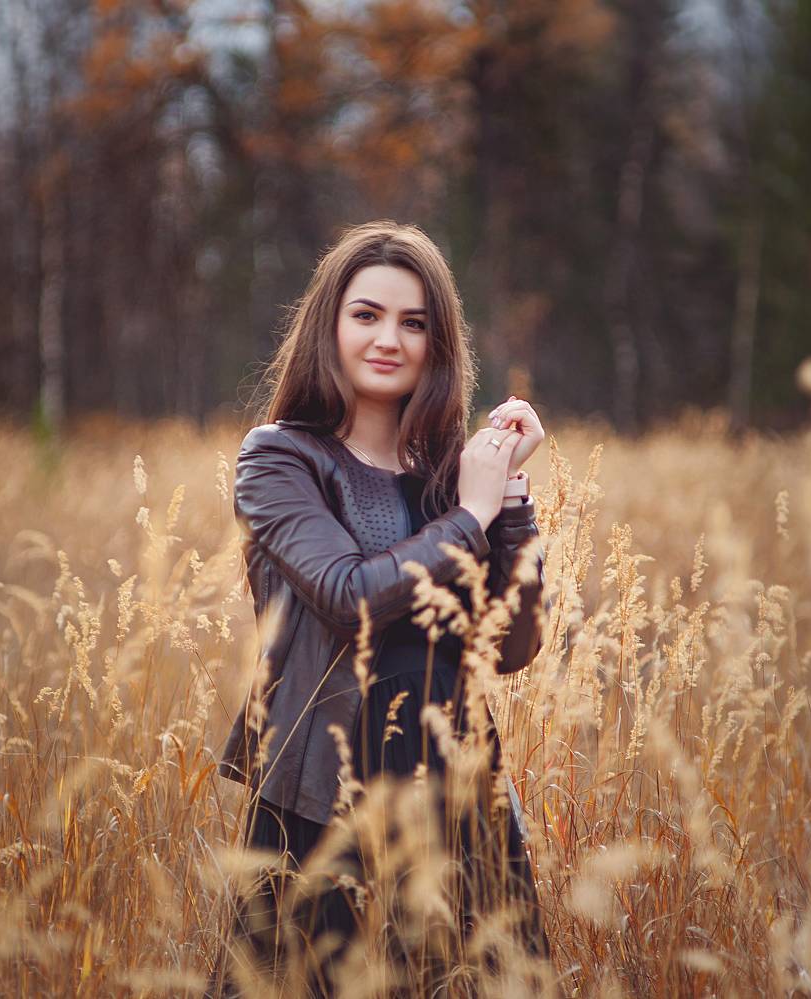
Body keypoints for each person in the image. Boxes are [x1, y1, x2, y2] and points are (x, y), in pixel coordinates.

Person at [210, 220, 551, 996]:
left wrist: (511, 500)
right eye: (366, 314)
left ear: (439, 342)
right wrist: (470, 515)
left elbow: (512, 644)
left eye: (413, 321)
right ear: (330, 325)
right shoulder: (282, 458)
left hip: (456, 785)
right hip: (328, 793)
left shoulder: (446, 473)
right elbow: (348, 595)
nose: (388, 337)